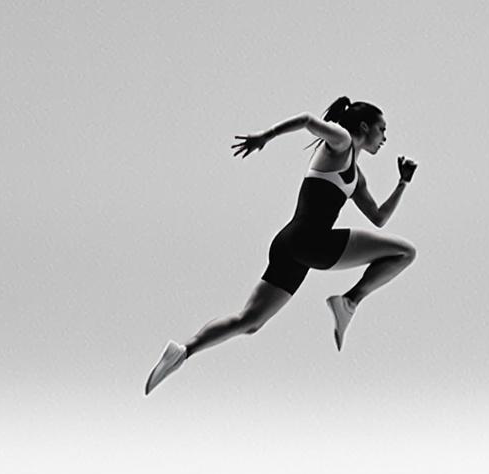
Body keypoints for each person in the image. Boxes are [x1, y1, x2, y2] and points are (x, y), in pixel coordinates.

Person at [145, 97, 418, 394]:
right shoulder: (340, 141)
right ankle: (350, 300)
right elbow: (306, 120)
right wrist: (266, 136)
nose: (385, 138)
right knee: (405, 252)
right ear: (364, 126)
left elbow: (378, 217)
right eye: (382, 129)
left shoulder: (358, 177)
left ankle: (182, 351)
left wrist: (402, 183)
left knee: (249, 321)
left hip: (291, 245)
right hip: (311, 241)